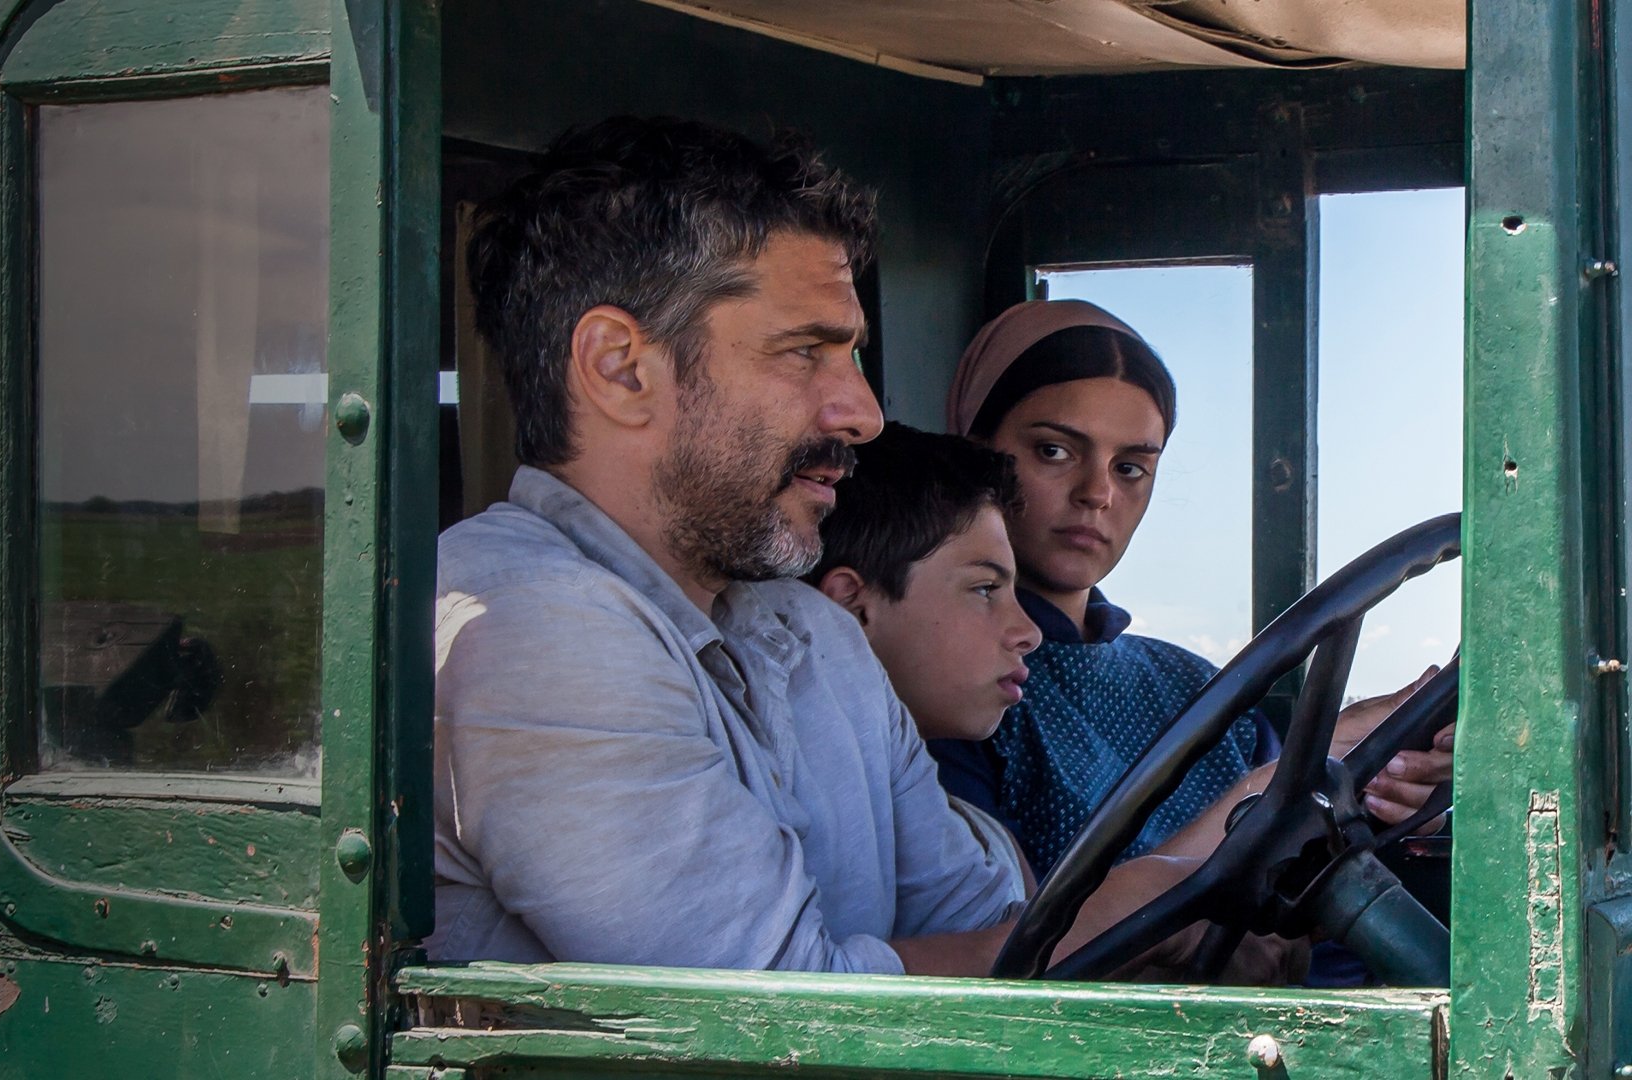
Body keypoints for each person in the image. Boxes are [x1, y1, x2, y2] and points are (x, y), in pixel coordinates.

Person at [429, 116, 1270, 979]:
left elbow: (990, 927)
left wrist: (1165, 911)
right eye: (806, 353)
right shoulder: (533, 630)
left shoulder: (813, 635)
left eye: (853, 358)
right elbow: (771, 1017)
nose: (863, 415)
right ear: (620, 368)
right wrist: (1162, 890)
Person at [925, 299, 1452, 880]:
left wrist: (1385, 800)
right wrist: (1272, 788)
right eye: (1054, 451)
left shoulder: (1202, 689)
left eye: (1130, 467)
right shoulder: (942, 691)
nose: (1097, 493)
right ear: (976, 451)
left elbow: (1300, 874)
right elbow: (1007, 927)